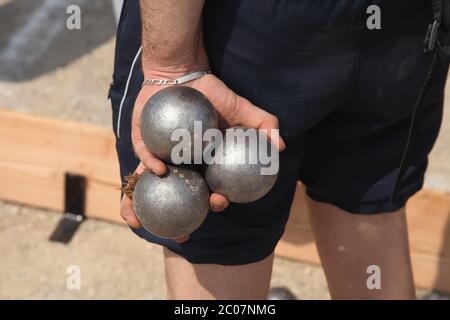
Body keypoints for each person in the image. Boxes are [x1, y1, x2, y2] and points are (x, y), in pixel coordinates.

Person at [108, 0, 450, 299]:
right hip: (400, 28)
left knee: (220, 246)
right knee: (365, 200)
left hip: (248, 27)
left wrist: (172, 64)